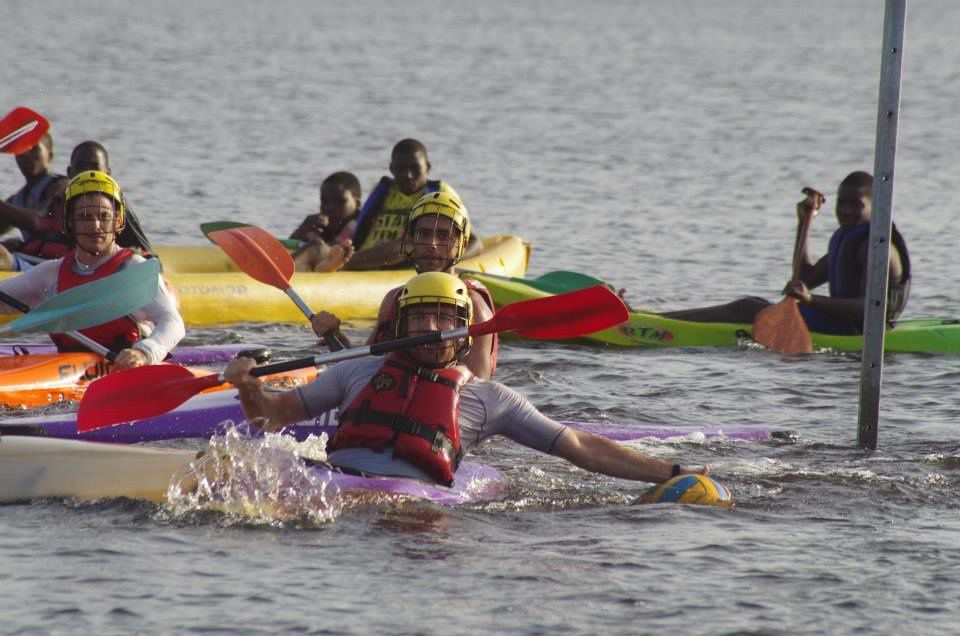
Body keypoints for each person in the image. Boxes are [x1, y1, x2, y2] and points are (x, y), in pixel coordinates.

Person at [223, 271, 707, 488]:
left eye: (444, 320)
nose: (432, 330)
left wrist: (668, 473)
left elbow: (578, 446)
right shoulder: (358, 368)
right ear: (400, 326)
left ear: (464, 331)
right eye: (420, 319)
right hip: (334, 489)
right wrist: (248, 386)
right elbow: (277, 415)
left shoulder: (490, 399)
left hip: (415, 508)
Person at [660, 172, 911, 334]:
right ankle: (652, 318)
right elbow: (805, 279)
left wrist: (812, 300)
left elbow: (870, 310)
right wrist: (805, 222)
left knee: (747, 309)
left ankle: (658, 326)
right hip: (840, 322)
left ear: (875, 207)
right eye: (841, 204)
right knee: (753, 304)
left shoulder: (877, 247)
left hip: (861, 331)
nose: (845, 211)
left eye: (855, 205)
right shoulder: (846, 236)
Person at [0, 170, 185, 370]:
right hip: (66, 372)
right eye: (85, 217)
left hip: (127, 370)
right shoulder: (50, 273)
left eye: (104, 216)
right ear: (70, 222)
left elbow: (173, 323)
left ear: (117, 221)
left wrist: (143, 352)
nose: (95, 226)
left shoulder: (134, 269)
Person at [311, 191, 498, 379]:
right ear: (410, 240)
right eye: (423, 234)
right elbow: (363, 367)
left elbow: (479, 390)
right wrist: (336, 336)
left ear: (462, 245)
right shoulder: (395, 300)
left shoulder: (475, 309)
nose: (431, 244)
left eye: (444, 236)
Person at [0, 140, 154, 270]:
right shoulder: (59, 200)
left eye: (94, 166)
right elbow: (39, 226)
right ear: (69, 173)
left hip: (70, 273)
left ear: (107, 173)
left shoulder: (116, 207)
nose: (87, 172)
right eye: (81, 167)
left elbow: (150, 260)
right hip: (44, 266)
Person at [343, 138, 482, 270]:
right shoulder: (382, 191)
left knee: (407, 245)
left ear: (427, 167)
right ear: (391, 169)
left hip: (402, 262)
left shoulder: (440, 194)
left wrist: (447, 262)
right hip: (364, 260)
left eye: (415, 169)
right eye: (400, 169)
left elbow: (475, 242)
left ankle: (344, 263)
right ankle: (339, 262)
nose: (408, 175)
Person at [0, 133, 67, 269]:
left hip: (56, 266)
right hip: (30, 263)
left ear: (49, 156)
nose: (27, 155)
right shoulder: (17, 199)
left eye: (34, 149)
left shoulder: (62, 186)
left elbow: (37, 221)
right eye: (22, 150)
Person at [288, 171, 358, 272]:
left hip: (340, 268)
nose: (330, 207)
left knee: (317, 246)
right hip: (310, 266)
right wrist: (301, 231)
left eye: (339, 202)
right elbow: (290, 249)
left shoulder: (359, 225)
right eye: (324, 201)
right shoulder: (318, 227)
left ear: (357, 203)